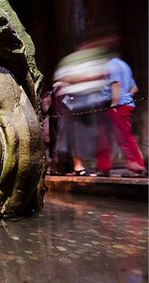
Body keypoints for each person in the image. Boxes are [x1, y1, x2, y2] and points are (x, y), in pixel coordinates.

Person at [53, 36, 111, 176]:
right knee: (75, 136)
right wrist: (87, 78)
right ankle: (78, 166)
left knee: (90, 135)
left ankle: (85, 165)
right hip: (73, 105)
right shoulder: (70, 62)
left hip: (89, 103)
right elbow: (62, 79)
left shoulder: (92, 60)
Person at [95, 52, 147, 177]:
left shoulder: (112, 65)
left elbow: (116, 84)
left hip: (115, 105)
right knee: (108, 136)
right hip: (123, 103)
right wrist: (126, 96)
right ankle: (103, 167)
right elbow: (134, 88)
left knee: (120, 136)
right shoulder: (124, 66)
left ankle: (137, 166)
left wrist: (115, 102)